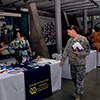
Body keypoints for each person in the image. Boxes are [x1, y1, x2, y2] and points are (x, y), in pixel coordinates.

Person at [60, 25, 90, 100]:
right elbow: (66, 50)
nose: (67, 33)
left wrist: (78, 53)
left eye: (68, 32)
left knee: (79, 79)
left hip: (80, 63)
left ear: (73, 30)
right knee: (74, 78)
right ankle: (78, 91)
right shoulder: (70, 40)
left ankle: (78, 94)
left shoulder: (83, 39)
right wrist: (62, 59)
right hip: (72, 63)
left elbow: (87, 51)